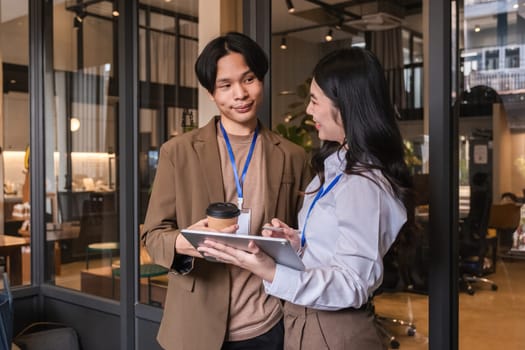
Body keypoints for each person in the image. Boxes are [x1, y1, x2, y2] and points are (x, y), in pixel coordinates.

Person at [198, 47, 414, 350]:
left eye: (314, 100)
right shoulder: (336, 166)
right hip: (306, 323)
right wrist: (300, 242)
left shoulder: (362, 183)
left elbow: (352, 283)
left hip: (334, 331)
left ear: (346, 105)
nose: (309, 111)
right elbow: (337, 247)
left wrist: (270, 270)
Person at [141, 32, 311, 350]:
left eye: (249, 79)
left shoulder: (292, 155)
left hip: (268, 323)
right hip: (194, 327)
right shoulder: (178, 152)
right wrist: (184, 241)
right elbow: (152, 235)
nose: (240, 94)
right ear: (211, 93)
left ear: (261, 80)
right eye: (226, 85)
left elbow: (306, 238)